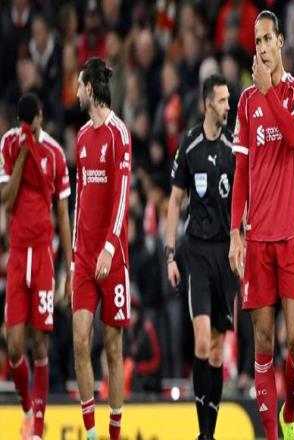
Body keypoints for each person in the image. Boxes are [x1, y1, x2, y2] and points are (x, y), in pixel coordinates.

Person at [229, 10, 294, 440]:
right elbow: (241, 171)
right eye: (256, 41)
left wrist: (270, 93)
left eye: (267, 39)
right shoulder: (245, 102)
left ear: (280, 41)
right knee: (263, 344)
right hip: (257, 238)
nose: (261, 47)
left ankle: (290, 412)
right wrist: (235, 232)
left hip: (291, 235)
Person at [166, 74, 237, 440]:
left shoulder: (233, 147)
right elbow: (175, 201)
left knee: (218, 351)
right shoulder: (190, 144)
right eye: (223, 101)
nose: (228, 107)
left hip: (226, 254)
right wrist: (169, 255)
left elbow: (243, 201)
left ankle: (210, 431)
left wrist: (242, 245)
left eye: (229, 100)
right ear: (209, 103)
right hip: (196, 252)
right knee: (202, 341)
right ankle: (203, 433)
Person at [0, 93, 72, 440]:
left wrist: (70, 267)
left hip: (43, 253)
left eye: (33, 122)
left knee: (40, 342)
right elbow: (6, 200)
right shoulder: (9, 145)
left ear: (41, 117)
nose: (29, 128)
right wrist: (23, 154)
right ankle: (27, 409)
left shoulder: (55, 154)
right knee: (14, 344)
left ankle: (38, 427)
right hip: (17, 254)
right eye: (24, 125)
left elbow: (63, 213)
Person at [72, 58, 131, 440]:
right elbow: (80, 199)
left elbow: (122, 195)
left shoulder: (118, 133)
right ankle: (92, 435)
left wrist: (110, 247)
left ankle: (114, 433)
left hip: (113, 258)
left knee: (112, 347)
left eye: (80, 85)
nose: (76, 92)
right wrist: (73, 257)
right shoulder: (81, 137)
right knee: (80, 339)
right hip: (83, 257)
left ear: (90, 89)